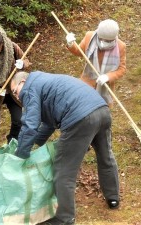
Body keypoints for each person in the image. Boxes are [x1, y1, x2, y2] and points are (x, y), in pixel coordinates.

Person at [10, 71, 119, 225]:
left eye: (15, 91)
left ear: (23, 81)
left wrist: (20, 155)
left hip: (80, 118)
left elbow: (30, 125)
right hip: (102, 110)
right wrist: (37, 144)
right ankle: (113, 198)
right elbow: (48, 123)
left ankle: (64, 218)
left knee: (63, 171)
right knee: (105, 156)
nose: (17, 96)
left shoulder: (29, 88)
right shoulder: (45, 81)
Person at [65, 19, 126, 106]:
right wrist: (71, 44)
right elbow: (79, 52)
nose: (104, 42)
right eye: (101, 39)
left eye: (108, 41)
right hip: (86, 84)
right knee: (82, 107)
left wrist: (108, 77)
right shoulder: (89, 37)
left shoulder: (120, 46)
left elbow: (122, 69)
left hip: (105, 90)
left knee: (100, 112)